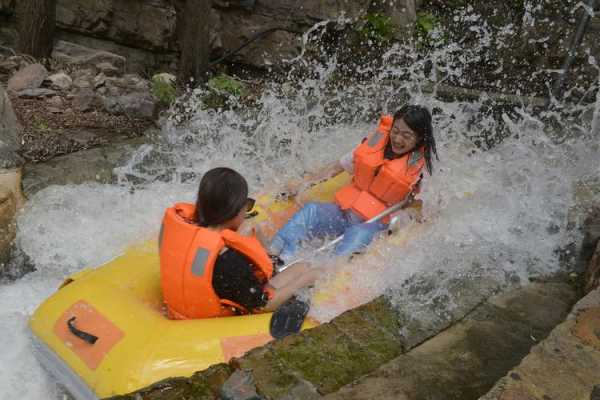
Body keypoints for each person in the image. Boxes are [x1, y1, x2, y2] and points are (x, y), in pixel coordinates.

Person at [269, 105, 438, 260]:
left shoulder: (421, 171)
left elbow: (422, 209)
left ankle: (320, 275)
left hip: (373, 226)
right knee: (311, 210)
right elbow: (334, 169)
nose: (398, 139)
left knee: (353, 240)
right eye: (395, 131)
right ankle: (277, 253)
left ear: (419, 139)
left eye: (406, 136)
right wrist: (300, 186)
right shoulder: (373, 145)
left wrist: (407, 221)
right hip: (343, 214)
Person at [159, 167, 319, 319]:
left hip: (188, 300)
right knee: (309, 272)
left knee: (302, 267)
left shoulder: (192, 230)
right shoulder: (229, 259)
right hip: (228, 308)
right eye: (246, 205)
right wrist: (303, 281)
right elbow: (262, 304)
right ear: (234, 211)